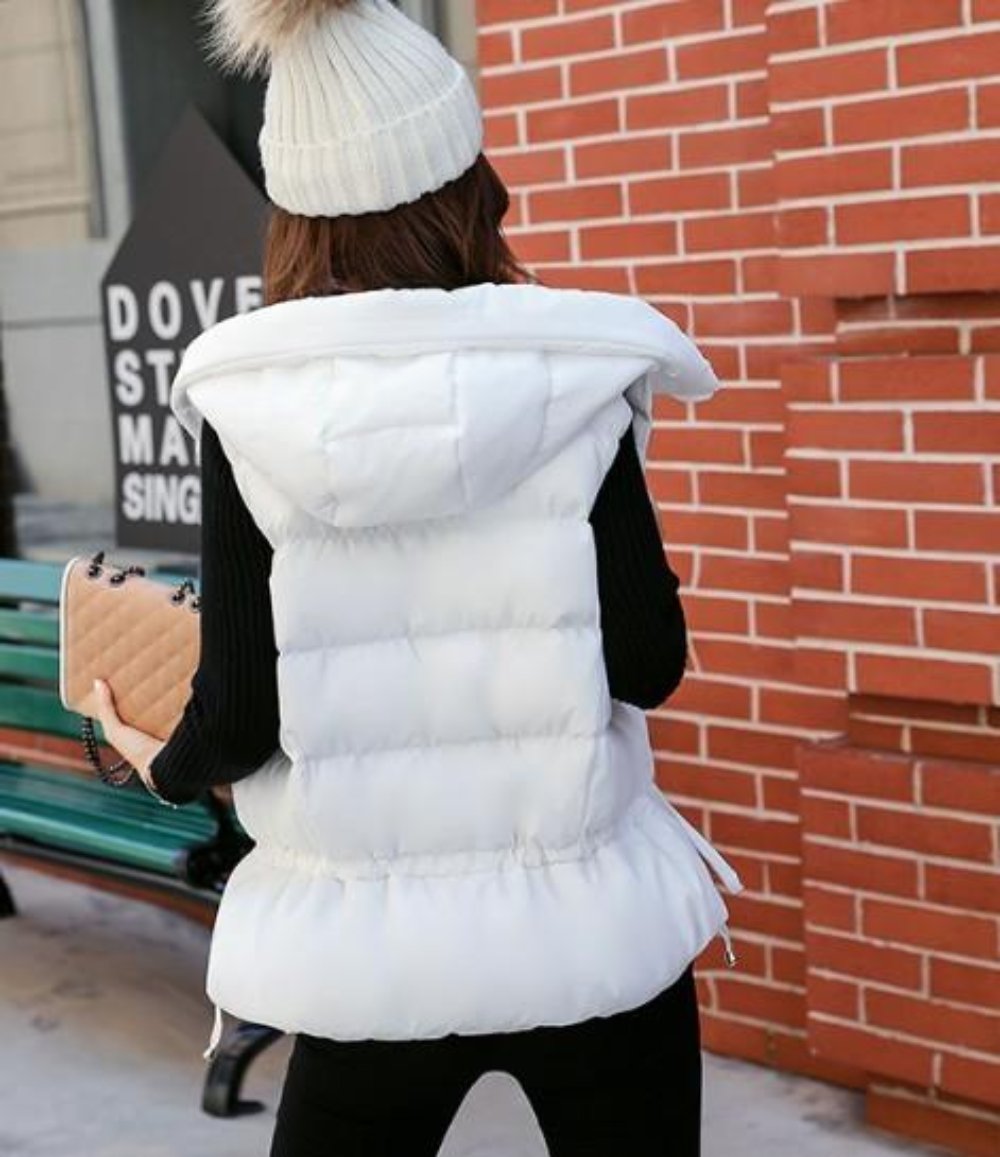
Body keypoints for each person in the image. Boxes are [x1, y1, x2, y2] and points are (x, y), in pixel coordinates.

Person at [93, 1, 744, 1153]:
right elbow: (648, 662)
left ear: (294, 213)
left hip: (371, 956)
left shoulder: (250, 407)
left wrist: (153, 756)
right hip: (591, 931)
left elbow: (239, 716)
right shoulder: (572, 375)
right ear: (464, 182)